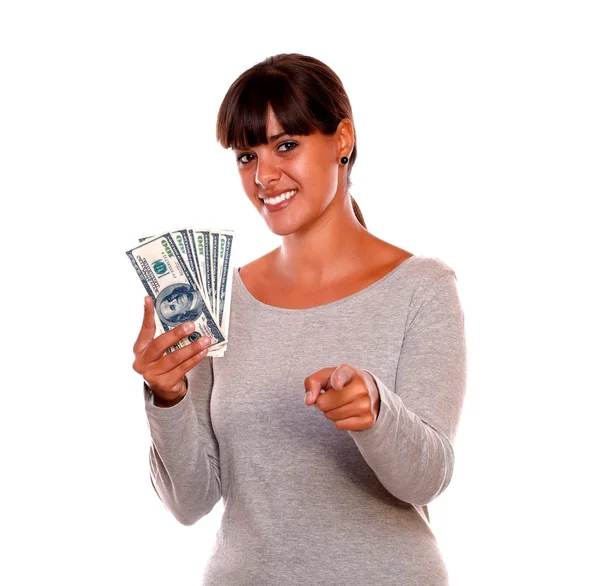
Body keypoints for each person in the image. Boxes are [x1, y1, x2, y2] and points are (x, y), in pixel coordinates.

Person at [132, 53, 467, 585]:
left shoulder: (421, 287)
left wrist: (376, 410)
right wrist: (167, 398)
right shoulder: (219, 299)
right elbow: (190, 502)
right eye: (246, 156)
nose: (264, 175)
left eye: (286, 145)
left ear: (342, 140)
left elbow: (425, 480)